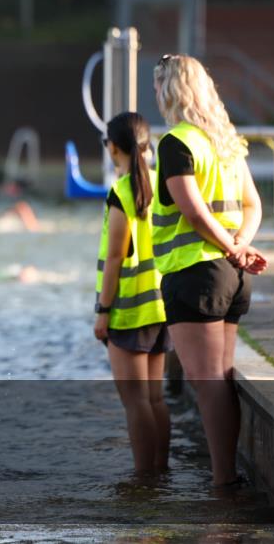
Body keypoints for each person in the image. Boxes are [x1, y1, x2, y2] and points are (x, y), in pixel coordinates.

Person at [151, 54, 267, 486]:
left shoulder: (176, 142)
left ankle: (223, 481)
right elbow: (254, 205)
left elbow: (194, 214)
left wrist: (229, 248)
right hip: (232, 277)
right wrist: (239, 247)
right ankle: (227, 476)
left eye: (159, 86)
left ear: (169, 91)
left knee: (208, 383)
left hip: (194, 275)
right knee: (221, 376)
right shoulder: (225, 142)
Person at [93, 112, 170, 476]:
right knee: (155, 398)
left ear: (113, 147)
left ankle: (143, 481)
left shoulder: (122, 192)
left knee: (135, 401)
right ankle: (161, 471)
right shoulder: (162, 183)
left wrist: (102, 311)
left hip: (128, 310)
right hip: (161, 305)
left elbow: (114, 258)